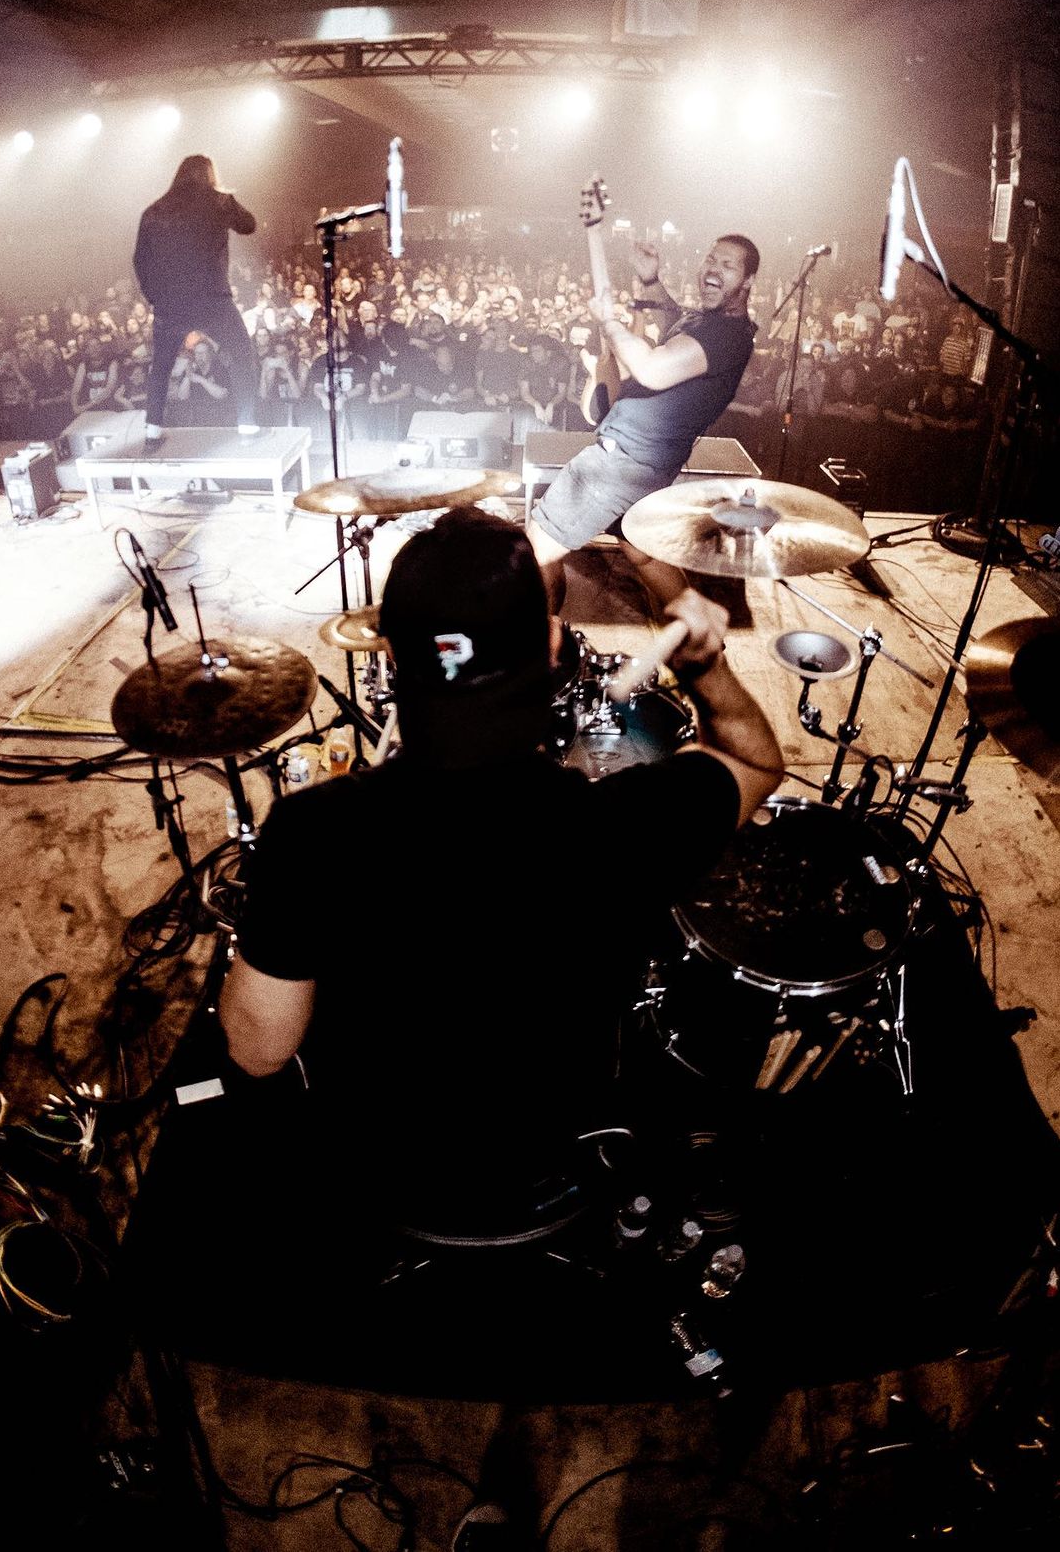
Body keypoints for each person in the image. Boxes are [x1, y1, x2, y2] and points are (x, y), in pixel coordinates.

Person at [220, 508, 783, 1243]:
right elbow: (752, 759)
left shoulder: (311, 834)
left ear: (388, 653)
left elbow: (258, 1051)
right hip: (554, 1146)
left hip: (387, 1162)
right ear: (552, 645)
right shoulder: (619, 826)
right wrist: (704, 664)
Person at [528, 234, 759, 610]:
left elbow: (652, 369)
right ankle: (701, 628)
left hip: (619, 465)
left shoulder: (726, 334)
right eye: (711, 259)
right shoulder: (713, 321)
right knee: (643, 554)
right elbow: (677, 325)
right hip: (647, 464)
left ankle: (543, 637)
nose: (713, 269)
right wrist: (651, 281)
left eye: (728, 265)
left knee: (535, 553)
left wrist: (608, 321)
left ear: (748, 281)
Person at [133, 154, 260, 451]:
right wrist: (226, 198)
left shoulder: (154, 211)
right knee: (241, 353)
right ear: (209, 174)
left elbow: (140, 260)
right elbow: (249, 225)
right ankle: (246, 423)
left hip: (171, 303)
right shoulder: (219, 201)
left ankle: (152, 431)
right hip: (211, 298)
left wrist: (154, 297)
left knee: (161, 366)